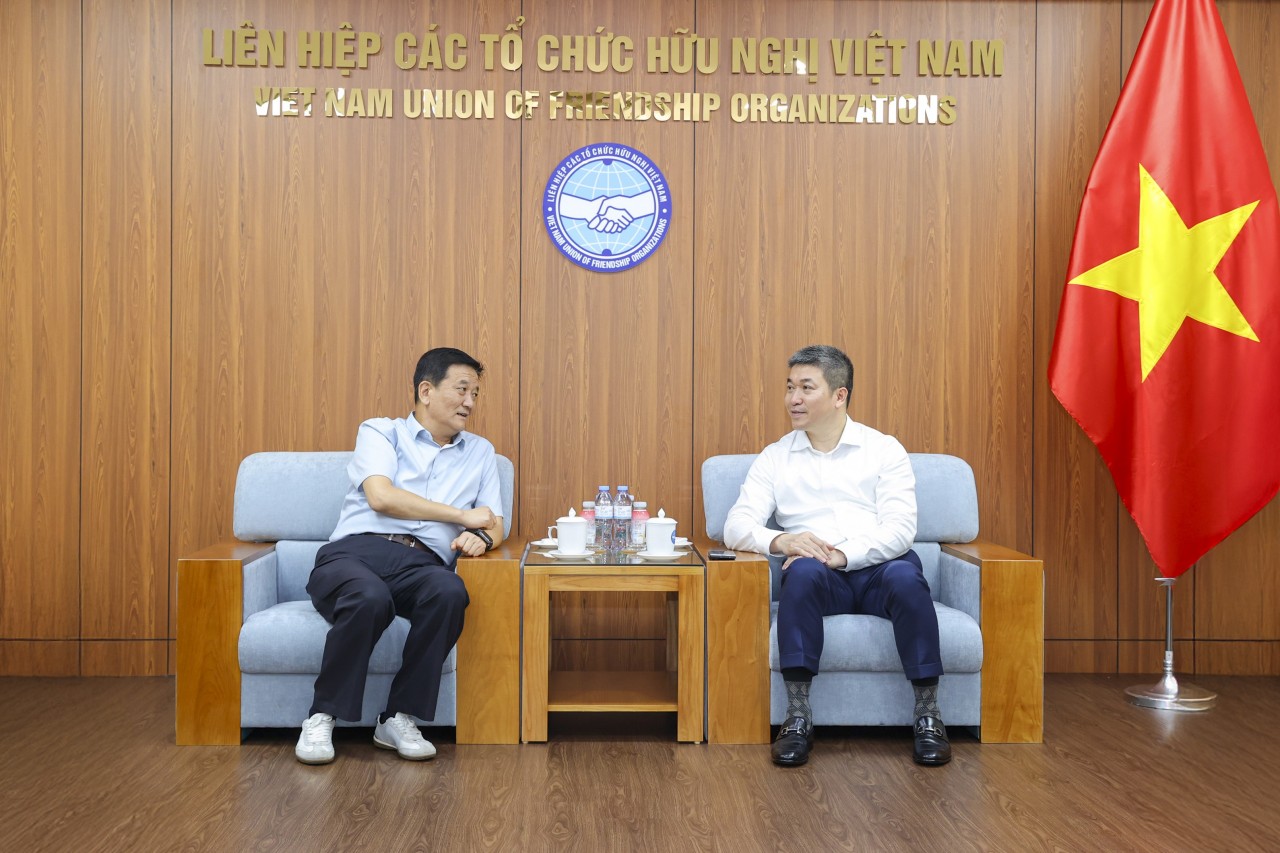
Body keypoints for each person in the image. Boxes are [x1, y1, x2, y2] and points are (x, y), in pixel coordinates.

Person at [723, 344, 950, 768]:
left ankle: (928, 714)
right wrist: (783, 541)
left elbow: (901, 529)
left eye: (806, 388)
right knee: (802, 575)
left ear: (839, 395)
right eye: (790, 387)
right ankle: (797, 717)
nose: (793, 398)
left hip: (879, 568)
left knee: (906, 578)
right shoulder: (776, 457)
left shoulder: (884, 450)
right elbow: (736, 525)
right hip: (817, 575)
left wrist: (843, 555)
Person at [295, 347, 506, 765]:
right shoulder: (380, 432)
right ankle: (322, 715)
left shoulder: (481, 452)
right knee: (369, 597)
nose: (470, 402)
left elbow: (495, 522)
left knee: (450, 591)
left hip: (423, 564)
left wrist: (484, 538)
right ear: (426, 391)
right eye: (462, 389)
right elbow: (382, 497)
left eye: (476, 394)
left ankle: (397, 718)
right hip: (354, 553)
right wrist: (462, 516)